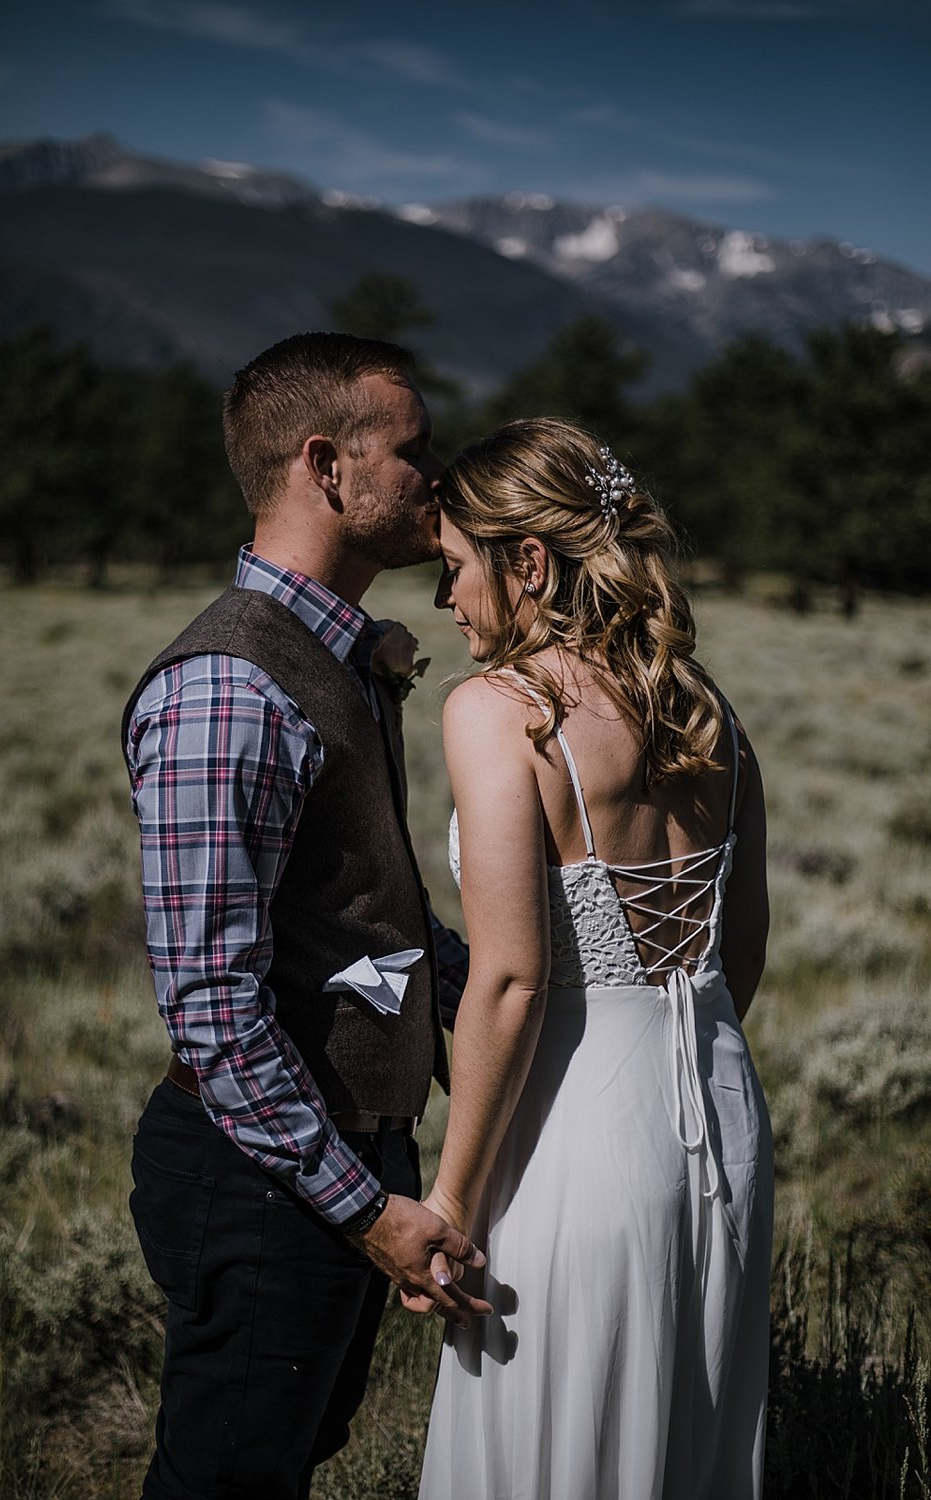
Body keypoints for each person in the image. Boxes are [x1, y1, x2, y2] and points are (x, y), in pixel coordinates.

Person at [122, 332, 491, 1500]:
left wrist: (523, 995)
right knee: (226, 1478)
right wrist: (360, 1208)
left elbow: (357, 915)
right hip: (263, 1169)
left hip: (331, 1151)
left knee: (282, 1458)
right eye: (414, 450)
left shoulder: (326, 656)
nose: (437, 474)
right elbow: (213, 1010)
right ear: (327, 466)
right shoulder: (231, 684)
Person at [415, 417, 774, 1499]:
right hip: (721, 1122)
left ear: (528, 561)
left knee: (552, 1444)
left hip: (574, 1130)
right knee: (687, 1436)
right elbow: (739, 952)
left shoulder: (497, 712)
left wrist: (450, 1206)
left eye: (451, 568)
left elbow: (514, 979)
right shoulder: (707, 709)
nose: (442, 602)